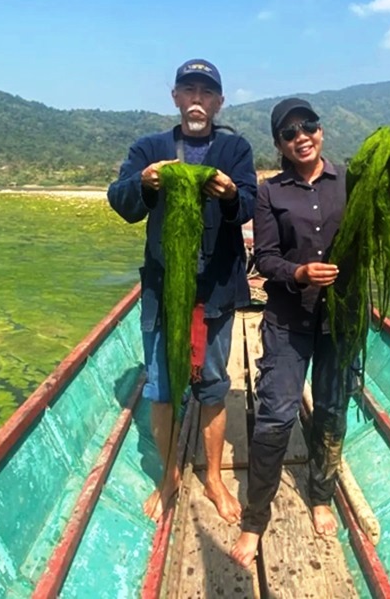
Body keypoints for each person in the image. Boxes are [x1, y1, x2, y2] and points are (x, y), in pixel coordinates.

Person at [107, 58, 257, 523]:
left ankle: (212, 477)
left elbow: (249, 203)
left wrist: (231, 194)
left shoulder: (234, 149)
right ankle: (170, 472)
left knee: (212, 386)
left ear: (218, 102)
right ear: (175, 97)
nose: (197, 100)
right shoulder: (150, 148)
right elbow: (120, 200)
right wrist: (143, 182)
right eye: (188, 90)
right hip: (161, 289)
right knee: (163, 387)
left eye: (206, 92)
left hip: (214, 290)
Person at [231, 98, 357, 567]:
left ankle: (320, 495)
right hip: (288, 319)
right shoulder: (270, 191)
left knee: (330, 410)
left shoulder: (349, 180)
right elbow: (264, 258)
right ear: (279, 143)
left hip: (339, 321)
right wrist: (299, 273)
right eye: (289, 132)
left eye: (309, 126)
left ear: (321, 130)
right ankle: (255, 518)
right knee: (276, 416)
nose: (301, 136)